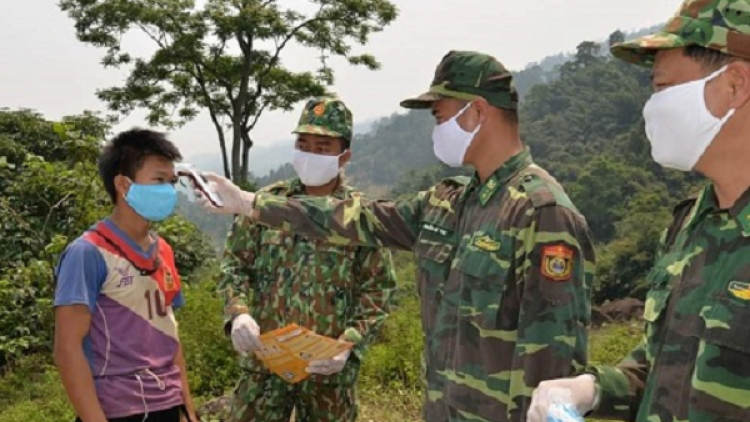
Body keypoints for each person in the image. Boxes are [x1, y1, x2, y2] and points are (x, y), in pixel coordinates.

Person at [197, 51, 596, 422]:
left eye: (439, 117)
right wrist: (252, 204)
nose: (436, 130)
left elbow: (554, 366)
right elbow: (360, 217)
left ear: (476, 112)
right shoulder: (450, 201)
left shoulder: (540, 212)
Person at [526, 1, 750, 421]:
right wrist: (594, 389)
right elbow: (670, 366)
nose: (652, 106)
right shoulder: (693, 223)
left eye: (663, 88)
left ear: (735, 84)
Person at [219, 96, 396, 422]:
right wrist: (238, 313)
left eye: (322, 146)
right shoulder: (264, 205)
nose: (310, 153)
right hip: (265, 366)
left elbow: (379, 290)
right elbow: (235, 265)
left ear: (345, 156)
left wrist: (349, 344)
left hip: (327, 374)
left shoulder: (358, 218)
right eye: (303, 143)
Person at [53, 129, 197, 422]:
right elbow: (67, 349)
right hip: (119, 410)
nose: (168, 190)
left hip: (168, 406)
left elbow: (170, 335)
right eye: (158, 180)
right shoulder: (87, 253)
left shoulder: (163, 251)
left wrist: (188, 411)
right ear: (123, 185)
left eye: (172, 182)